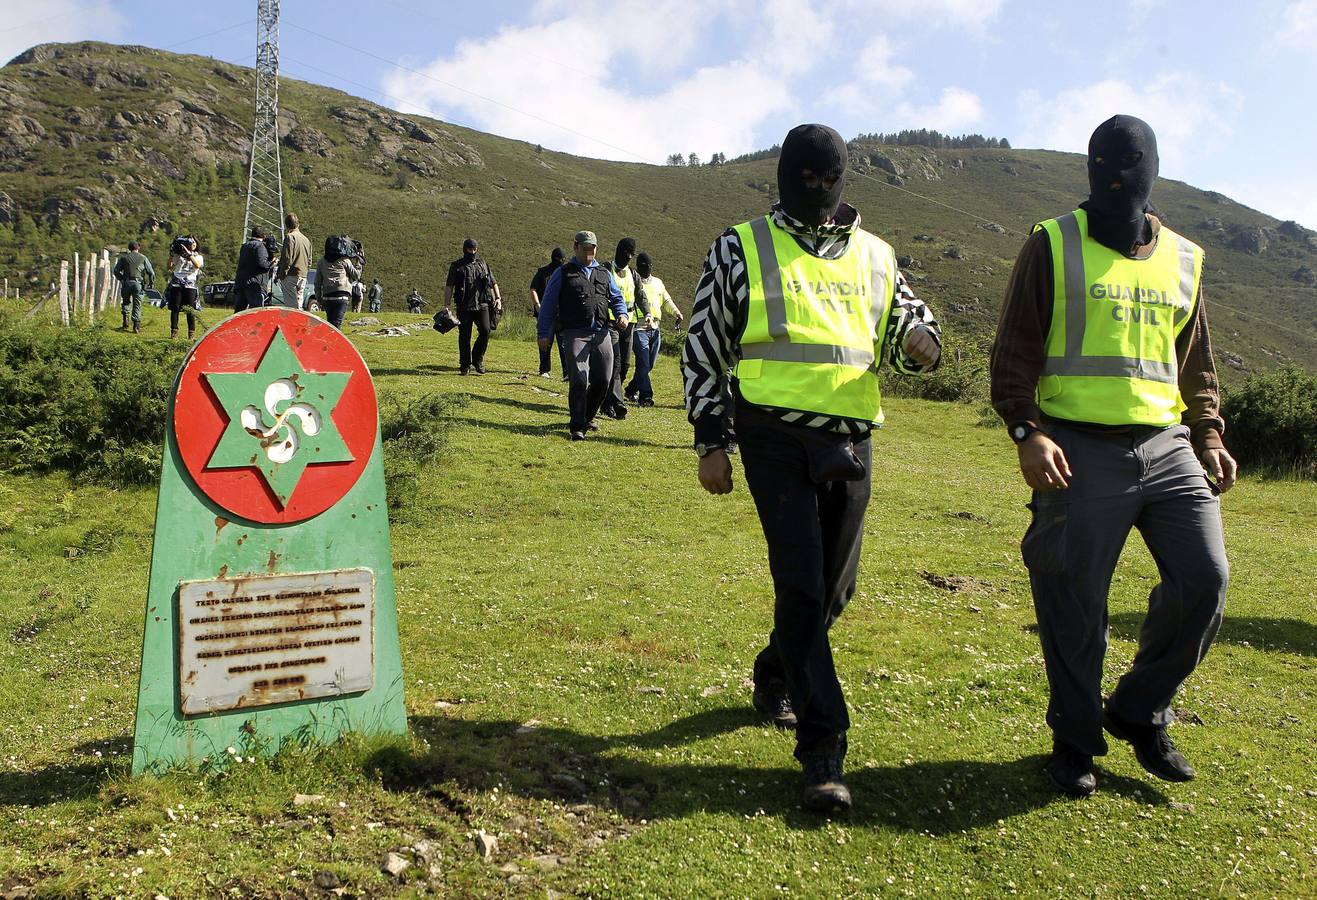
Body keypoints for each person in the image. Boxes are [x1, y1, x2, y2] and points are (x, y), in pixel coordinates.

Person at [682, 123, 941, 813]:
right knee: (799, 584)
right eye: (805, 178)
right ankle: (823, 747)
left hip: (851, 440)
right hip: (771, 435)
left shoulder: (877, 256)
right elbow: (703, 347)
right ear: (783, 175)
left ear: (842, 179)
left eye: (828, 180)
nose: (817, 191)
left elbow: (908, 324)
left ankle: (775, 669)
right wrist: (712, 440)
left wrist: (922, 343)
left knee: (831, 593)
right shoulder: (741, 246)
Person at [990, 115, 1234, 798]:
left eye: (1128, 161)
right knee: (1072, 602)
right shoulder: (1052, 242)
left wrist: (1209, 434)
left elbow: (1197, 363)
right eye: (1101, 161)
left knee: (1203, 580)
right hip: (1074, 445)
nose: (1115, 173)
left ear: (1152, 166)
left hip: (1166, 445)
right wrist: (1025, 430)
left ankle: (1137, 709)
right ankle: (1074, 741)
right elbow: (1013, 350)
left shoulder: (1183, 258)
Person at [537, 231, 628, 440]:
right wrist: (543, 334)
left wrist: (622, 314)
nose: (590, 251)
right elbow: (548, 306)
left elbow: (616, 297)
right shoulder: (563, 273)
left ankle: (587, 416)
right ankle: (577, 426)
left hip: (602, 332)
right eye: (586, 247)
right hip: (575, 333)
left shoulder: (604, 273)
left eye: (593, 248)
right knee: (578, 378)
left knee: (604, 380)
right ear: (575, 246)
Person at [625, 251, 683, 405]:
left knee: (649, 364)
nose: (646, 268)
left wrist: (676, 312)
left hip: (655, 328)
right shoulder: (632, 281)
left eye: (648, 265)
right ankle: (646, 396)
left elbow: (666, 300)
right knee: (643, 362)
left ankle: (631, 389)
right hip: (639, 327)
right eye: (643, 266)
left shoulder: (658, 282)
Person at [445, 238, 502, 375]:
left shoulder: (483, 264)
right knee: (465, 336)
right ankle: (465, 365)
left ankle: (477, 360)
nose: (472, 252)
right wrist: (446, 305)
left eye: (474, 249)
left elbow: (493, 283)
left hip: (482, 304)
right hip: (464, 306)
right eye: (470, 249)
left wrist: (498, 298)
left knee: (485, 331)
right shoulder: (457, 266)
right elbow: (449, 286)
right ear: (464, 249)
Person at [601, 237, 642, 418]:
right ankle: (617, 403)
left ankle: (604, 398)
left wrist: (647, 313)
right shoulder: (605, 269)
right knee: (615, 363)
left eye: (632, 254)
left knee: (624, 365)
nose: (629, 257)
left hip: (630, 323)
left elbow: (640, 297)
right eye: (627, 252)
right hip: (610, 323)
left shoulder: (633, 274)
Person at [530, 246, 568, 378]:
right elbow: (533, 289)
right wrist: (537, 305)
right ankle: (544, 370)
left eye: (562, 259)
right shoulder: (542, 272)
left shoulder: (566, 273)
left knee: (565, 346)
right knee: (545, 342)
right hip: (546, 314)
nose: (560, 261)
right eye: (558, 259)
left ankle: (567, 373)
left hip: (562, 314)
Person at [314, 235, 361, 330]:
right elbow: (356, 275)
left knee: (331, 324)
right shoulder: (344, 260)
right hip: (342, 296)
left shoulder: (321, 262)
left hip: (327, 297)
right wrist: (359, 262)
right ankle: (334, 343)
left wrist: (319, 299)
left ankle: (328, 342)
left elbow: (317, 283)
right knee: (337, 325)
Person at [165, 235, 204, 340]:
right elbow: (169, 267)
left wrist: (189, 254)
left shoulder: (198, 256)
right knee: (175, 309)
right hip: (177, 283)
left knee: (190, 311)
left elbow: (198, 265)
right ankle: (174, 332)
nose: (192, 244)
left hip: (190, 286)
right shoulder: (178, 256)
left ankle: (191, 334)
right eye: (190, 243)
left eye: (194, 243)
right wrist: (171, 255)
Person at [112, 240, 154, 333]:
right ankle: (136, 326)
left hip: (127, 282)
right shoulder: (143, 258)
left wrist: (122, 278)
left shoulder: (124, 258)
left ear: (129, 248)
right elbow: (151, 272)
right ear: (138, 248)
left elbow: (115, 271)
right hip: (138, 283)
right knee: (137, 304)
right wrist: (151, 283)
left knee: (126, 301)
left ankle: (125, 321)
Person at [276, 213, 312, 310]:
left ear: (287, 225)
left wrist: (282, 274)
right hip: (303, 276)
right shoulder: (306, 240)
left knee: (291, 307)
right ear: (298, 224)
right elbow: (309, 261)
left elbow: (287, 258)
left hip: (291, 275)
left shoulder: (290, 237)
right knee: (299, 305)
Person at [233, 225, 273, 312]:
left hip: (241, 282)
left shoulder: (244, 246)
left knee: (239, 313)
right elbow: (262, 264)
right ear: (263, 236)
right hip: (254, 284)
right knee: (255, 312)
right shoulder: (260, 246)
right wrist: (272, 263)